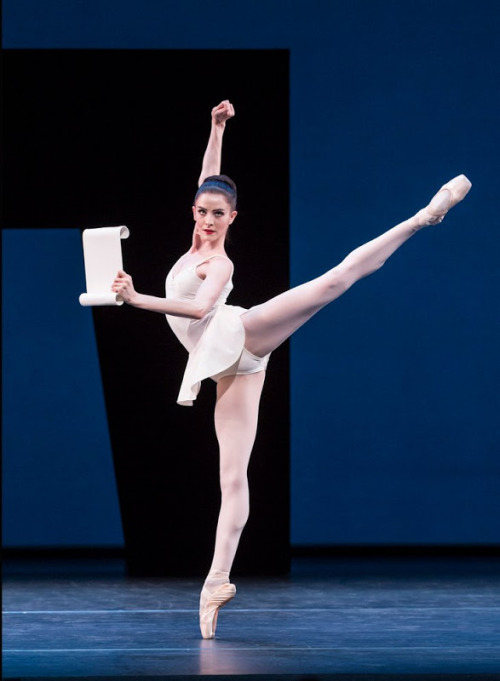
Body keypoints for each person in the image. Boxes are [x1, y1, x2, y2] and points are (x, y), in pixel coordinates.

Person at [111, 99, 471, 639]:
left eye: (219, 214)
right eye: (202, 210)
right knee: (232, 478)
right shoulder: (197, 234)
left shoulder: (219, 262)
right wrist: (216, 127)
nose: (209, 220)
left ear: (233, 219)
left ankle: (424, 216)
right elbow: (210, 174)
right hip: (232, 369)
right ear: (194, 211)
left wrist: (137, 299)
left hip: (240, 333)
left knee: (334, 281)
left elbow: (203, 311)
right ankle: (216, 582)